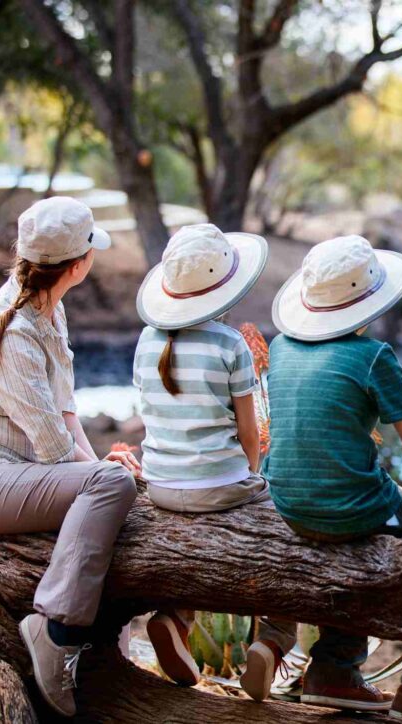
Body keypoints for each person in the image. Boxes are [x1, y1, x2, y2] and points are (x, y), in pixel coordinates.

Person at [266, 235, 402, 724]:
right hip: (351, 506)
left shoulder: (281, 346)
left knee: (352, 534)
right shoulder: (373, 356)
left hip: (287, 503)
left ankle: (334, 672)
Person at [0, 197, 140, 717]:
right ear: (78, 265)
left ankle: (103, 647)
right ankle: (55, 629)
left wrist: (100, 460)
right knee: (112, 487)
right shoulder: (16, 332)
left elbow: (65, 413)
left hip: (11, 474)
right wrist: (99, 473)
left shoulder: (45, 308)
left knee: (112, 481)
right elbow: (55, 451)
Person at [132, 223, 296, 696]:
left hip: (161, 484)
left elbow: (150, 415)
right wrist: (253, 479)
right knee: (288, 536)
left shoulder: (146, 341)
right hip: (222, 485)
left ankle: (176, 617)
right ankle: (274, 639)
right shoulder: (230, 345)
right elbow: (249, 432)